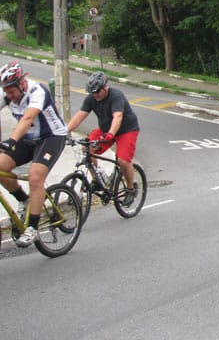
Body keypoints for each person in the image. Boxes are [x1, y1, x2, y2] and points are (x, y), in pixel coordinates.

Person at [0, 60, 68, 247]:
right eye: (6, 92)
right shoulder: (7, 94)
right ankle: (24, 200)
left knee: (35, 176)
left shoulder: (38, 91)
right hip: (28, 138)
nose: (9, 96)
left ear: (22, 84)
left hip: (51, 137)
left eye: (12, 92)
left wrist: (11, 141)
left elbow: (28, 117)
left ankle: (32, 228)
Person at [66, 71, 140, 207]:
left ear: (105, 87)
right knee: (87, 148)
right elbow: (79, 116)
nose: (95, 95)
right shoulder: (91, 99)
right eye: (92, 93)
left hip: (126, 130)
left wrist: (111, 134)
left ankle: (130, 189)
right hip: (106, 130)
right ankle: (97, 179)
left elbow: (118, 117)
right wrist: (64, 132)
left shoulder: (116, 95)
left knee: (123, 161)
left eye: (97, 92)